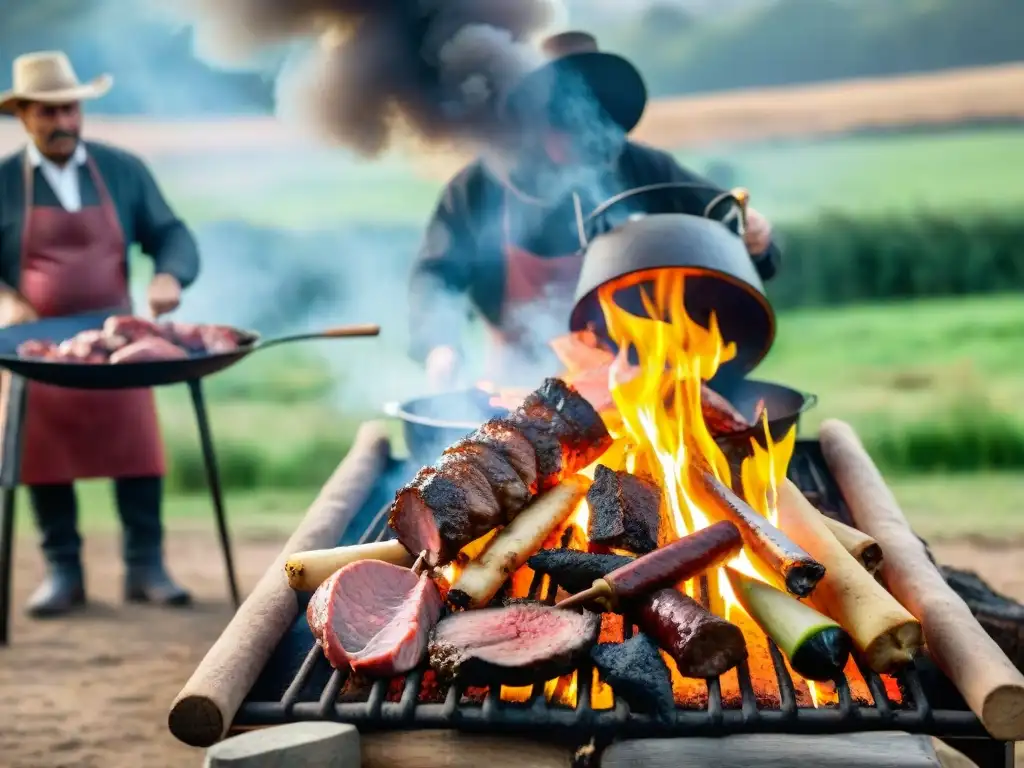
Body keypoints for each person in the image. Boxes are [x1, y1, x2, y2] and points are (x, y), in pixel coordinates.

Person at [408, 32, 780, 390]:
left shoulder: (644, 168)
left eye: (586, 120)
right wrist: (440, 345)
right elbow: (435, 276)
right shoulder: (479, 186)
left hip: (630, 393)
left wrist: (755, 238)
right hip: (517, 391)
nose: (574, 136)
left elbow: (729, 225)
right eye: (558, 120)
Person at [0, 51, 201, 616]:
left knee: (137, 450)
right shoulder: (3, 183)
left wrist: (168, 273)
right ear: (23, 116)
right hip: (36, 349)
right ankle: (63, 571)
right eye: (47, 112)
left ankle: (147, 567)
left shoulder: (121, 170)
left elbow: (172, 233)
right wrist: (5, 299)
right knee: (42, 457)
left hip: (119, 346)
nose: (62, 122)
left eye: (69, 109)